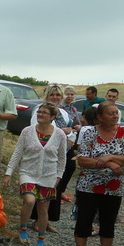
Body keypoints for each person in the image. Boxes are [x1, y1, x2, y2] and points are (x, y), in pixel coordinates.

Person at [73, 101, 124, 246]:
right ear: (99, 117)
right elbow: (83, 159)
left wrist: (109, 158)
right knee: (84, 220)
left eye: (117, 113)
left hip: (114, 186)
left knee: (108, 222)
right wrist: (110, 165)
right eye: (111, 113)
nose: (115, 116)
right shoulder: (90, 132)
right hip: (89, 185)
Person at [4, 103, 68, 246]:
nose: (40, 114)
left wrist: (59, 176)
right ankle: (23, 229)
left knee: (43, 208)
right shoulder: (27, 131)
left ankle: (41, 238)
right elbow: (17, 152)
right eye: (39, 112)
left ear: (52, 117)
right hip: (28, 172)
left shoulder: (59, 134)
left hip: (49, 175)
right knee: (30, 200)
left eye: (45, 113)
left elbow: (62, 158)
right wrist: (9, 172)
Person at [45, 84, 80, 225]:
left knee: (56, 186)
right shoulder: (41, 111)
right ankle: (39, 219)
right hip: (47, 153)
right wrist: (63, 134)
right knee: (46, 186)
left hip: (62, 151)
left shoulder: (64, 112)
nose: (55, 97)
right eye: (52, 95)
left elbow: (70, 129)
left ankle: (48, 220)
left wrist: (70, 136)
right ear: (47, 96)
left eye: (58, 95)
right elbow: (40, 131)